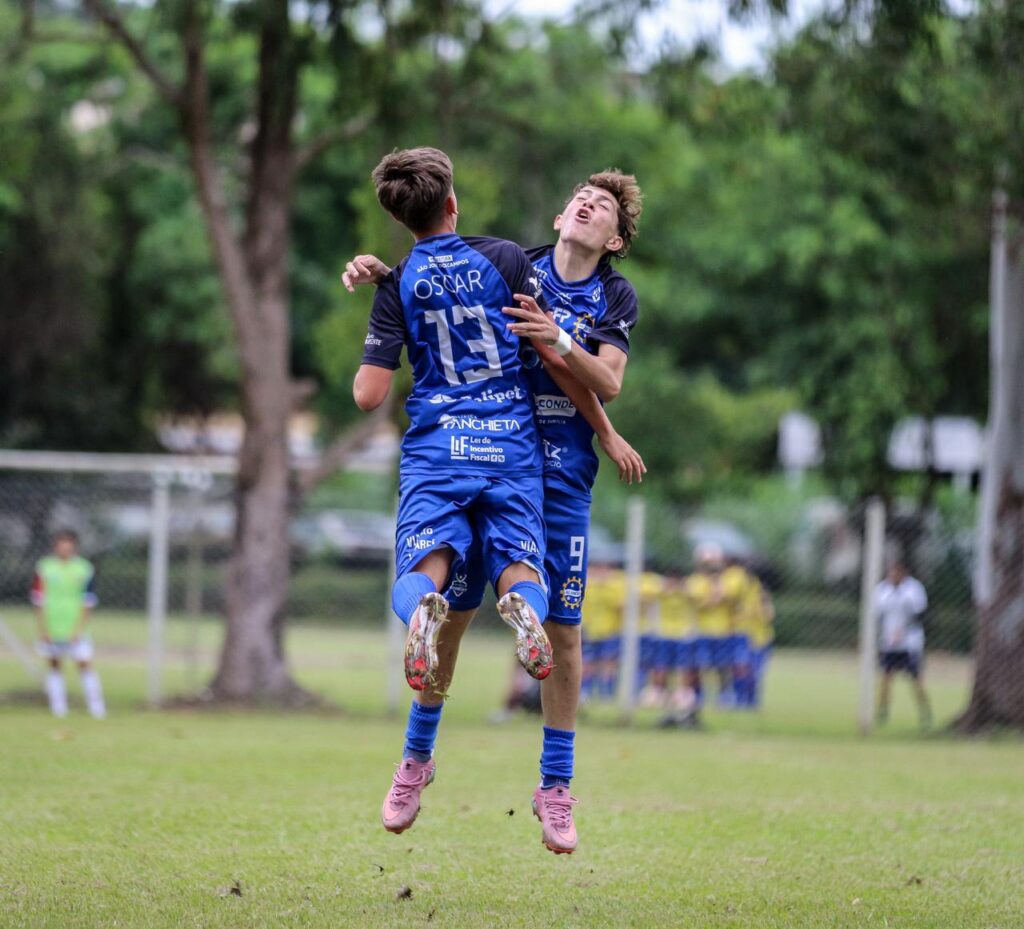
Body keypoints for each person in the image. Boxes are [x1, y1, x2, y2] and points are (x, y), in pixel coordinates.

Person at [345, 169, 646, 855]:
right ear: (560, 215)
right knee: (451, 620)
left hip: (556, 476)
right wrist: (385, 273)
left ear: (615, 239)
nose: (587, 202)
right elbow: (440, 284)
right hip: (504, 455)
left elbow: (604, 378)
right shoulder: (516, 262)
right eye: (581, 195)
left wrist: (593, 410)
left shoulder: (614, 294)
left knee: (562, 632)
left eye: (603, 205)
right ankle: (415, 759)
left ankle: (555, 786)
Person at [351, 147, 559, 844]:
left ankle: (421, 610)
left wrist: (386, 304)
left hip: (438, 448)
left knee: (427, 562)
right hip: (510, 445)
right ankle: (523, 612)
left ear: (400, 218)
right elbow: (545, 342)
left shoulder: (399, 281)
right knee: (519, 563)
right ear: (452, 203)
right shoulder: (505, 259)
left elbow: (369, 394)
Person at [32, 530, 106, 719]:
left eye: (69, 547)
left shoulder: (84, 569)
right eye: (61, 547)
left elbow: (88, 601)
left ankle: (96, 707)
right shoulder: (44, 567)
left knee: (84, 664)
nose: (65, 550)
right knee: (54, 664)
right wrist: (43, 629)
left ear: (74, 548)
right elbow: (38, 600)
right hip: (52, 624)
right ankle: (59, 707)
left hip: (75, 625)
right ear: (55, 547)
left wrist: (78, 629)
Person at [875, 560, 931, 729]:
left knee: (916, 679)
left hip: (910, 643)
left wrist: (902, 631)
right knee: (885, 678)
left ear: (902, 573)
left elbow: (920, 616)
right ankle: (882, 712)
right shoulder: (882, 590)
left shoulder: (914, 589)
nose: (892, 575)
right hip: (889, 643)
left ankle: (925, 712)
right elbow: (878, 617)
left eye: (895, 572)